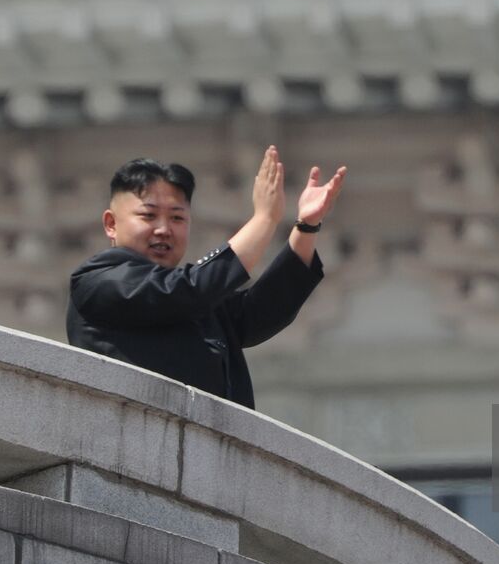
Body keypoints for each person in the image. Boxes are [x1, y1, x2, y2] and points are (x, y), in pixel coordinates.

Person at [65, 147, 346, 409]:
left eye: (177, 218)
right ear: (111, 224)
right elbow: (185, 291)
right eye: (148, 216)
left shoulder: (194, 300)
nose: (163, 229)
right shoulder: (96, 281)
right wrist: (263, 219)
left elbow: (261, 311)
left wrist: (307, 226)